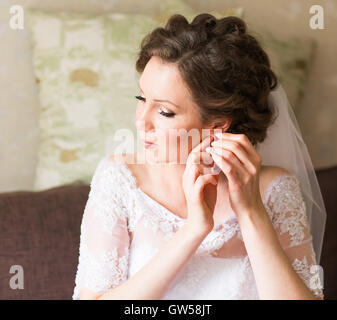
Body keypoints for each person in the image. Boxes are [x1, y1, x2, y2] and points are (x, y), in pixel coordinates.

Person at [72, 14, 325, 300]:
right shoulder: (120, 178)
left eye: (165, 111)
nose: (141, 121)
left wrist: (252, 213)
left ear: (217, 126)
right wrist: (193, 230)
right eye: (141, 99)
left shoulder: (275, 188)